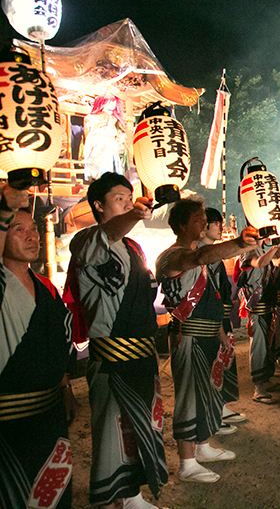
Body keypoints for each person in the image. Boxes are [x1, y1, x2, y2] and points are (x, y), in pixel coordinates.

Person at [66, 172, 168, 507]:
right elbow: (110, 231)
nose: (127, 202)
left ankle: (132, 493)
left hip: (140, 352)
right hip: (111, 357)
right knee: (112, 430)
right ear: (98, 204)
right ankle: (111, 498)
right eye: (119, 198)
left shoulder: (133, 247)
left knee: (141, 426)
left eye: (130, 196)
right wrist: (132, 215)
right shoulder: (86, 242)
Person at [155, 198, 258, 484]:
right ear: (181, 225)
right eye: (198, 219)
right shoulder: (173, 256)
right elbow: (201, 259)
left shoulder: (195, 255)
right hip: (188, 336)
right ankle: (187, 462)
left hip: (207, 333)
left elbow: (208, 299)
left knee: (207, 392)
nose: (204, 223)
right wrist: (240, 243)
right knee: (189, 396)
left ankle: (202, 446)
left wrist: (221, 332)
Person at [0, 184, 77, 509]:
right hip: (7, 422)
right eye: (19, 230)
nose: (32, 236)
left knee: (53, 492)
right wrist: (5, 205)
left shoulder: (45, 286)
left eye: (34, 229)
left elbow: (58, 342)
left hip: (49, 414)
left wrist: (65, 387)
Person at [237, 241, 280, 399]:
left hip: (266, 301)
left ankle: (266, 379)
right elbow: (259, 264)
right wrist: (275, 249)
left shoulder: (261, 249)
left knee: (269, 342)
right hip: (256, 302)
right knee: (259, 344)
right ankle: (258, 387)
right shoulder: (248, 251)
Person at [200, 208, 246, 431]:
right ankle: (213, 414)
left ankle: (222, 405)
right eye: (216, 223)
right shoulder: (201, 255)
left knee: (225, 361)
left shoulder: (213, 254)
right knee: (214, 363)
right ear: (204, 226)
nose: (221, 227)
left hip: (221, 315)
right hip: (210, 319)